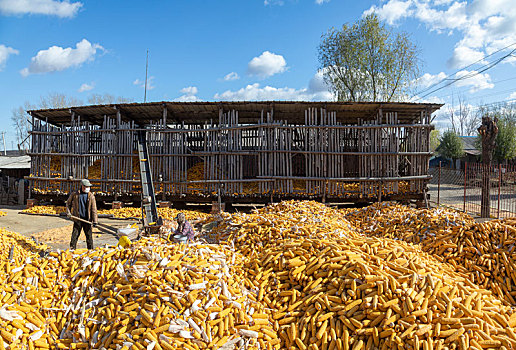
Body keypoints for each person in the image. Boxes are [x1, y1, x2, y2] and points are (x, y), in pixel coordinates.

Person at [65, 179, 98, 250]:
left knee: (89, 237)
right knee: (74, 236)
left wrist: (95, 221)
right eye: (86, 186)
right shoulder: (75, 195)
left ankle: (91, 251)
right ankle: (72, 250)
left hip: (87, 219)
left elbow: (94, 209)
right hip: (78, 219)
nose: (87, 188)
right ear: (82, 186)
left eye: (88, 187)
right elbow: (68, 204)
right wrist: (69, 213)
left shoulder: (91, 196)